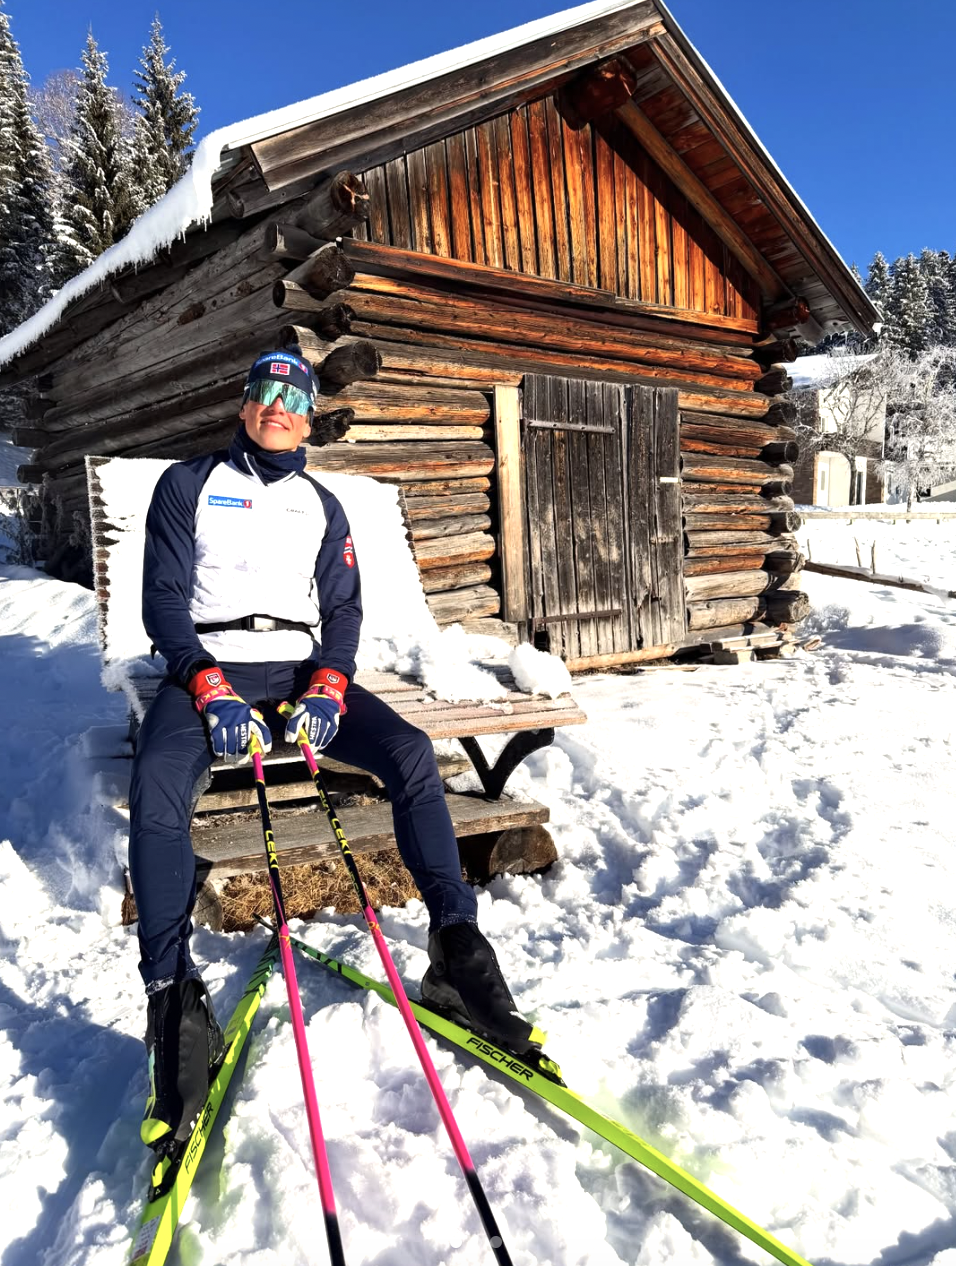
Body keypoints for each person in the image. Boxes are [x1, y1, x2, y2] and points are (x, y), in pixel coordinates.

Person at [131, 346, 539, 1159]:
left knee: (411, 753)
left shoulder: (321, 506)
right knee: (157, 785)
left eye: (294, 398)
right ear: (244, 404)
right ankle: (173, 997)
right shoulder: (188, 485)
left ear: (310, 419)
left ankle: (457, 947)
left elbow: (343, 610)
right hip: (208, 668)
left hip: (297, 671)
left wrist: (327, 683)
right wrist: (206, 683)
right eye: (264, 391)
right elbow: (163, 601)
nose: (277, 407)